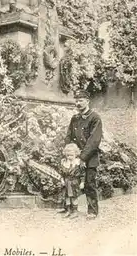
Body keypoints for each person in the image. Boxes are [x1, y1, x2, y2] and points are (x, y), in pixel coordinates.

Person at [65, 90, 103, 219]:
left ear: (88, 101)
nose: (78, 103)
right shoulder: (75, 118)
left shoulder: (95, 117)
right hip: (74, 158)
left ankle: (92, 211)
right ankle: (72, 210)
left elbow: (94, 140)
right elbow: (69, 136)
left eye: (81, 100)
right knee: (71, 183)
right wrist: (69, 153)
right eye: (76, 100)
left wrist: (82, 158)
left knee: (89, 184)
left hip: (89, 157)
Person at [59, 143, 85, 219]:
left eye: (71, 155)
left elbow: (83, 174)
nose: (69, 157)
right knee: (67, 197)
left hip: (74, 182)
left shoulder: (78, 163)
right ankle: (68, 210)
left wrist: (82, 182)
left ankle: (75, 211)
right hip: (66, 183)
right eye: (68, 155)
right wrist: (62, 180)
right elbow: (61, 173)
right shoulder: (64, 162)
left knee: (74, 197)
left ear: (75, 154)